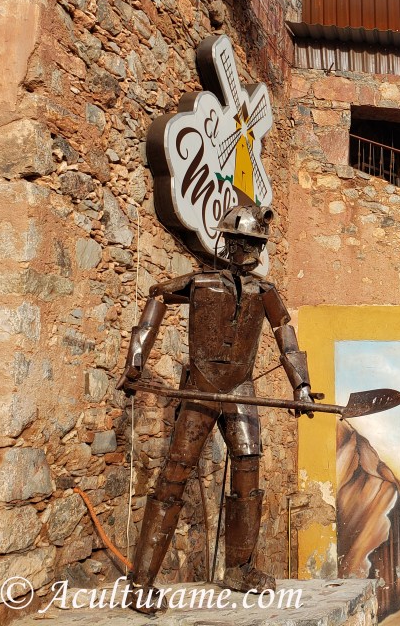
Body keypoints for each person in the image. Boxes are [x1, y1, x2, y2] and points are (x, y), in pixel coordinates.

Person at [117, 204, 316, 613]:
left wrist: (303, 387)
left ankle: (239, 567)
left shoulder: (265, 292)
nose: (251, 251)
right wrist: (136, 358)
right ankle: (141, 583)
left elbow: (286, 336)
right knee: (174, 477)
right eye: (247, 243)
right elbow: (157, 298)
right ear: (232, 243)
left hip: (241, 388)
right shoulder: (199, 282)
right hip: (202, 386)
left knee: (248, 472)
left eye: (256, 244)